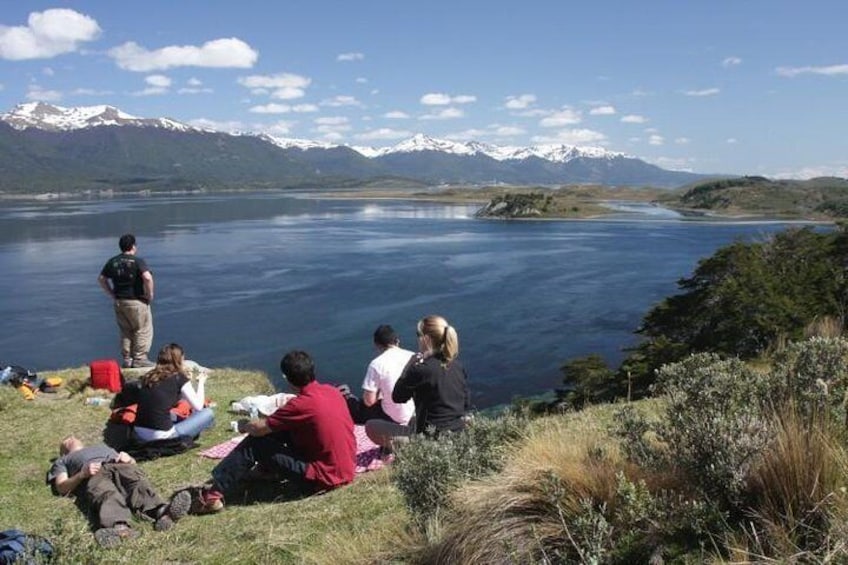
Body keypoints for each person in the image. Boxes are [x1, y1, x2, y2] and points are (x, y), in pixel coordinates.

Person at [192, 350, 355, 513]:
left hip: (323, 479)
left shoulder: (300, 404)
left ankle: (212, 496)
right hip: (346, 470)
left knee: (256, 444)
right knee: (281, 429)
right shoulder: (332, 391)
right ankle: (266, 471)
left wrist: (245, 425)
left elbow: (259, 430)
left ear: (287, 378)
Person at [46, 435, 191, 548]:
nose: (71, 438)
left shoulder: (102, 447)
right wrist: (82, 474)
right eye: (66, 440)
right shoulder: (62, 461)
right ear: (63, 451)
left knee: (137, 481)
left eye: (73, 437)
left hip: (118, 465)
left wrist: (130, 460)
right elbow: (61, 487)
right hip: (92, 475)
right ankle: (118, 528)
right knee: (106, 493)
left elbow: (133, 464)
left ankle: (162, 512)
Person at [368, 315, 471, 448]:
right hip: (458, 435)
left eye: (418, 334)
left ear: (426, 339)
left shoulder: (420, 369)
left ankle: (407, 453)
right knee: (413, 418)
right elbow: (466, 403)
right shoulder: (457, 365)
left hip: (431, 442)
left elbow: (398, 397)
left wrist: (410, 365)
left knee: (371, 426)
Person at [133, 343, 214, 444]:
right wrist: (201, 382)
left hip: (139, 433)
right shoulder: (178, 378)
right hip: (163, 436)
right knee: (208, 413)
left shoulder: (148, 376)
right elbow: (198, 406)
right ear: (179, 360)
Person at [98, 233, 155, 368]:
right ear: (133, 246)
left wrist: (111, 293)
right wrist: (150, 294)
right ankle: (140, 358)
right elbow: (147, 277)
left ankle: (127, 359)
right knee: (142, 329)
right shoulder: (137, 261)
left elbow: (101, 279)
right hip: (136, 301)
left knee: (125, 330)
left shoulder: (113, 261)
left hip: (119, 301)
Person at [345, 324, 415, 427]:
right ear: (397, 341)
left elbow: (369, 401)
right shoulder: (415, 356)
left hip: (395, 418)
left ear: (377, 345)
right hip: (416, 413)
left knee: (355, 405)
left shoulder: (376, 364)